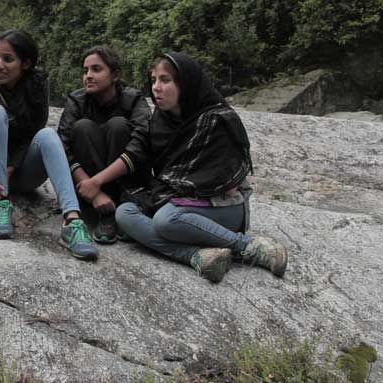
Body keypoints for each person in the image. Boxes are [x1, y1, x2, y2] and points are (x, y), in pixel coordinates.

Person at [80, 52, 289, 283]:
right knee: (124, 213)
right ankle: (197, 256)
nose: (156, 88)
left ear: (186, 84)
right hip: (176, 203)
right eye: (153, 80)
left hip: (223, 205)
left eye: (165, 80)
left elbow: (226, 181)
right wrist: (96, 182)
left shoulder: (216, 120)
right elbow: (136, 152)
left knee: (166, 220)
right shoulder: (160, 120)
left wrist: (183, 197)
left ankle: (248, 247)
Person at [0, 30, 99, 260]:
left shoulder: (37, 87)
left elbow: (33, 133)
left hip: (22, 173)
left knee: (47, 134)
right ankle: (1, 204)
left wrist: (13, 166)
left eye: (7, 59)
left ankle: (73, 221)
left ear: (25, 63)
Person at [57, 46, 152, 244]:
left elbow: (141, 143)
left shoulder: (133, 99)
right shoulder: (77, 100)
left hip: (126, 182)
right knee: (82, 127)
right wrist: (93, 190)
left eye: (96, 69)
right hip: (89, 187)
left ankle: (121, 206)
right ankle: (106, 213)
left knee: (118, 125)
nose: (88, 76)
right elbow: (62, 146)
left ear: (115, 75)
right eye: (85, 71)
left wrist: (97, 182)